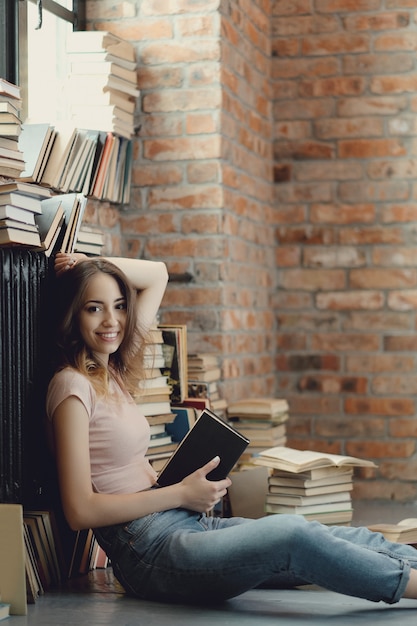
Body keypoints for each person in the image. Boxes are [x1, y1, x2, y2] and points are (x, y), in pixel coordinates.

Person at [46, 251, 417, 607]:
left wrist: (87, 262)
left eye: (120, 306)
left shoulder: (112, 369)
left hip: (183, 523)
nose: (112, 320)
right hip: (148, 551)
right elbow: (80, 510)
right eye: (94, 308)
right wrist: (179, 494)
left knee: (324, 534)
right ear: (72, 315)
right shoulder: (72, 386)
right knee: (292, 536)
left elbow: (157, 274)